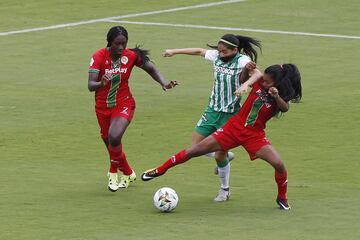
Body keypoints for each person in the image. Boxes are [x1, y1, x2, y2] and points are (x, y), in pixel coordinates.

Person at [141, 64, 302, 210]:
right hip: (233, 128)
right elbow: (248, 76)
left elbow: (285, 108)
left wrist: (276, 96)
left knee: (279, 164)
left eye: (268, 82)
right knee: (193, 151)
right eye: (264, 81)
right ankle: (160, 170)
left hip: (254, 136)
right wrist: (247, 69)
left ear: (277, 83)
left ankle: (282, 198)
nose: (264, 83)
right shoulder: (260, 82)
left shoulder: (278, 95)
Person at [162, 34, 262, 201]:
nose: (220, 54)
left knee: (219, 155)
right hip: (212, 110)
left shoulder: (242, 60)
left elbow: (258, 74)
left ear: (234, 50)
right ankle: (223, 154)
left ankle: (224, 190)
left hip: (230, 115)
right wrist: (174, 51)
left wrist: (245, 85)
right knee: (193, 149)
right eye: (219, 50)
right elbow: (199, 51)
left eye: (224, 52)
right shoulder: (216, 55)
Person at [88, 26, 178, 192]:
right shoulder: (99, 56)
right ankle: (128, 173)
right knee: (110, 142)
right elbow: (90, 85)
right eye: (117, 44)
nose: (121, 47)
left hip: (124, 103)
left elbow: (150, 68)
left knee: (114, 137)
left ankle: (113, 172)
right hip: (102, 107)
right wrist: (101, 83)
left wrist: (163, 83)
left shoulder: (130, 56)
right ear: (110, 42)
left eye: (124, 43)